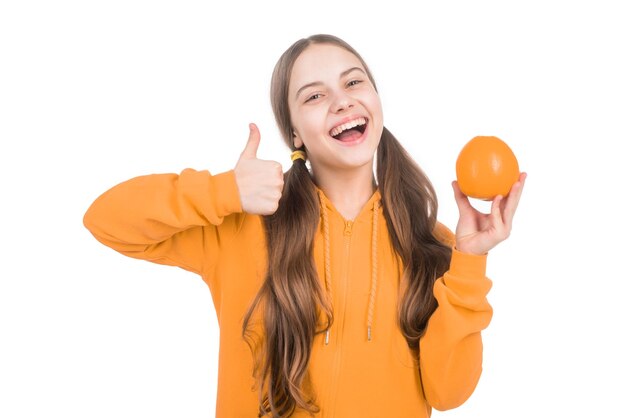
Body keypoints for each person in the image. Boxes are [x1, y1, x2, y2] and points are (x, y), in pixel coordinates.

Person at [83, 34, 526, 417]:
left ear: (375, 102)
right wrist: (223, 192)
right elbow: (106, 219)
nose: (342, 100)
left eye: (354, 82)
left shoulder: (431, 244)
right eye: (314, 95)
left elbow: (450, 394)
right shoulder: (243, 227)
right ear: (294, 133)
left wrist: (470, 261)